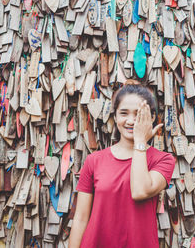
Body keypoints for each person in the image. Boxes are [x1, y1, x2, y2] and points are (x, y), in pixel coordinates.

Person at [68, 82, 176, 248]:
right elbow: (81, 218)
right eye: (123, 113)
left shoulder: (163, 160)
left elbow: (140, 191)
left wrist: (140, 141)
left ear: (152, 118)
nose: (131, 121)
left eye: (139, 114)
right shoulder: (94, 161)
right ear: (116, 117)